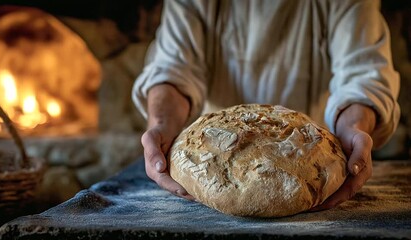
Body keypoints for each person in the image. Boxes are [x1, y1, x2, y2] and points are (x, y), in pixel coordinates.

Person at [132, 0, 400, 211]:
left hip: (311, 153)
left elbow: (363, 74)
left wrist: (353, 128)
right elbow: (173, 69)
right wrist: (162, 125)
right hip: (208, 156)